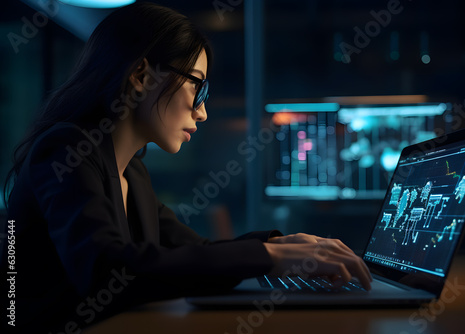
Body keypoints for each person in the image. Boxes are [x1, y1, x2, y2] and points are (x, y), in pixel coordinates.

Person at [1, 2, 371, 332]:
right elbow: (106, 270)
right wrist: (268, 256)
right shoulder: (66, 148)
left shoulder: (131, 172)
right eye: (198, 88)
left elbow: (194, 250)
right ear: (141, 76)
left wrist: (278, 244)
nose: (203, 111)